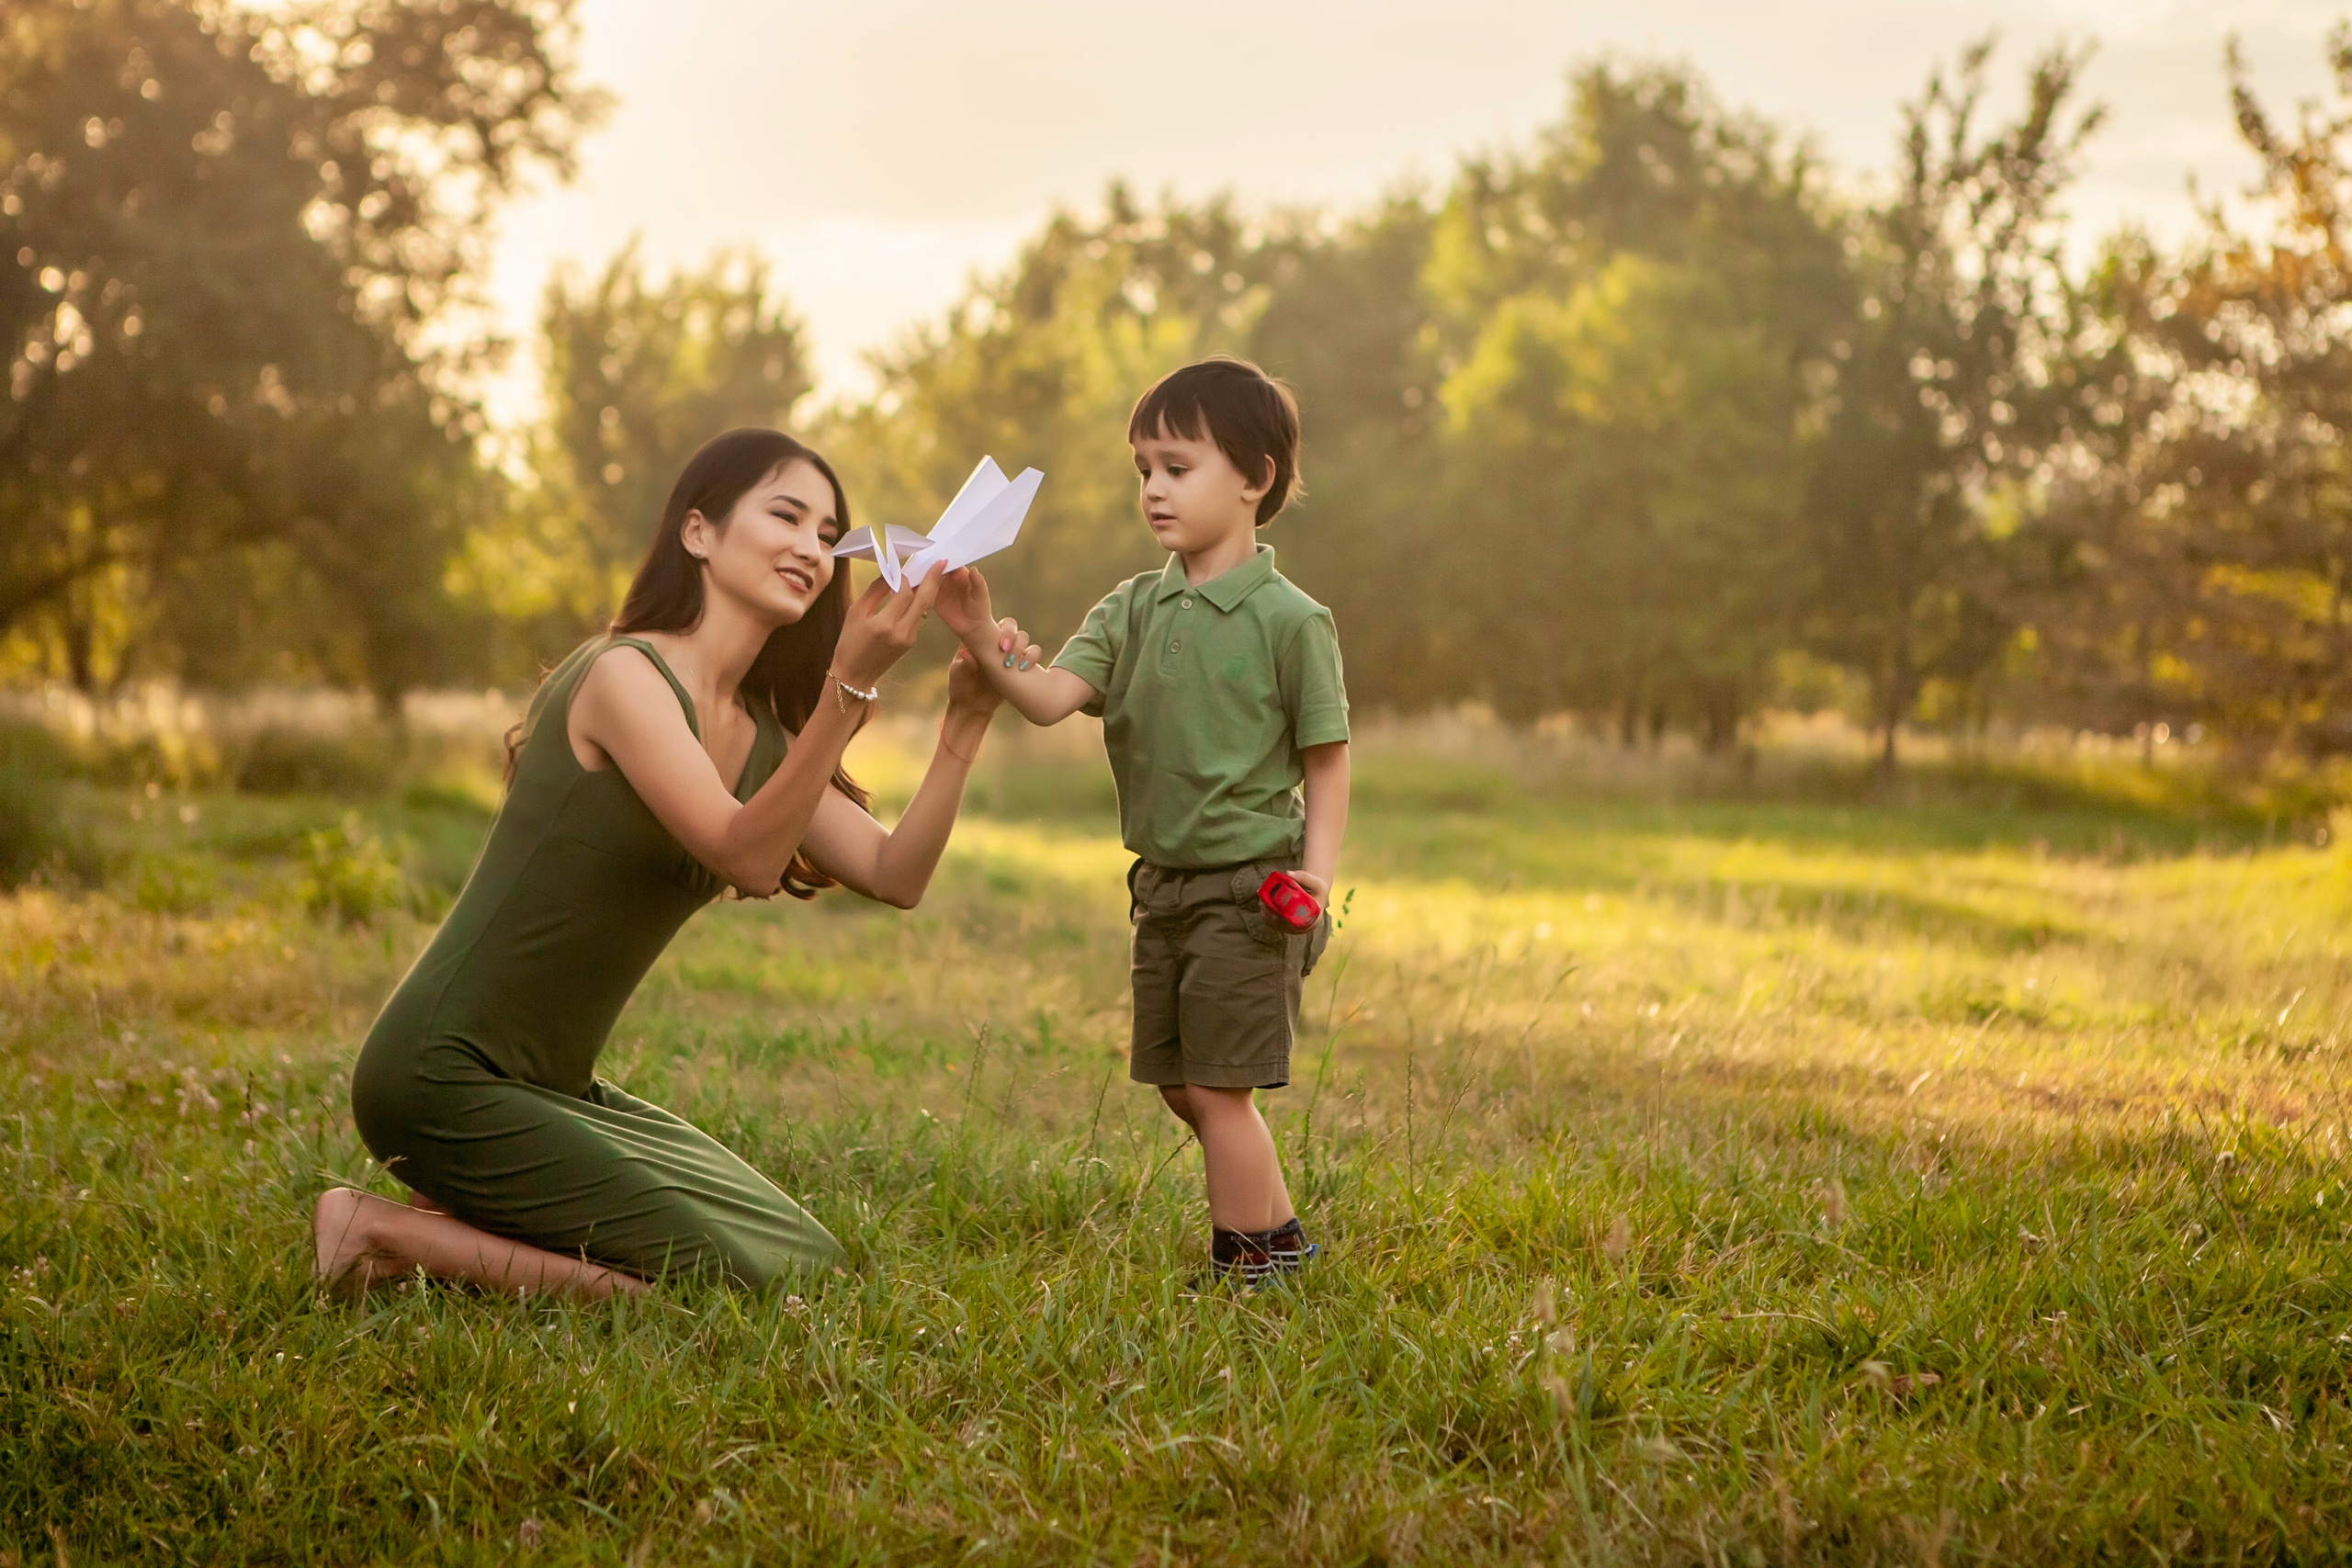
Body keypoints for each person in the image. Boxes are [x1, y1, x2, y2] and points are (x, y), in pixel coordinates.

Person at [314, 428, 1035, 1300]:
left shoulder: (763, 732)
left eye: (827, 531)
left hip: (556, 1090)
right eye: (786, 515)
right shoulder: (624, 677)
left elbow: (895, 874)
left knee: (806, 1257)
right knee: (721, 1283)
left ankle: (460, 1214)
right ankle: (375, 1233)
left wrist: (965, 720)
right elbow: (749, 855)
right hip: (436, 1074)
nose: (810, 546)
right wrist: (849, 684)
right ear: (698, 533)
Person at [938, 357, 1351, 1286]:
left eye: (1177, 466)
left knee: (1215, 1086)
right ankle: (1280, 1242)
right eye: (1143, 470)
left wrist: (1317, 880)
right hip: (1160, 889)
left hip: (1254, 889)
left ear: (1254, 478)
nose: (1154, 489)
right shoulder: (1129, 608)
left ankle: (1248, 1268)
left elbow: (1327, 757)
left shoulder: (1291, 621)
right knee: (1179, 1081)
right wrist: (978, 636)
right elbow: (1046, 700)